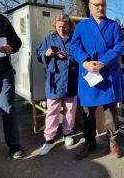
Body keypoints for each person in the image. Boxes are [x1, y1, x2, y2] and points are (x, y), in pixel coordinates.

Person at [70, 0, 124, 160]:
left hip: (107, 72)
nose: (100, 8)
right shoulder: (81, 26)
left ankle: (113, 139)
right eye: (96, 5)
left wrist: (103, 61)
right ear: (89, 6)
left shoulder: (114, 26)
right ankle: (89, 141)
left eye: (103, 5)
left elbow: (119, 46)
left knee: (110, 109)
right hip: (89, 73)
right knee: (88, 110)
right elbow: (75, 46)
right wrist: (85, 61)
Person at [36, 14, 78, 156]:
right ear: (55, 26)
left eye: (64, 27)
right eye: (59, 27)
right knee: (52, 111)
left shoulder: (75, 38)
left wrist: (68, 56)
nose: (61, 30)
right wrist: (46, 53)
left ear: (70, 26)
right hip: (54, 80)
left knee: (70, 110)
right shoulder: (49, 38)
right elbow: (39, 53)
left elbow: (81, 55)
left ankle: (67, 133)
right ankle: (49, 139)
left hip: (71, 79)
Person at [0, 12, 24, 159]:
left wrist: (10, 48)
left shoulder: (2, 20)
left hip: (4, 73)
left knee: (7, 107)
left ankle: (14, 146)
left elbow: (17, 42)